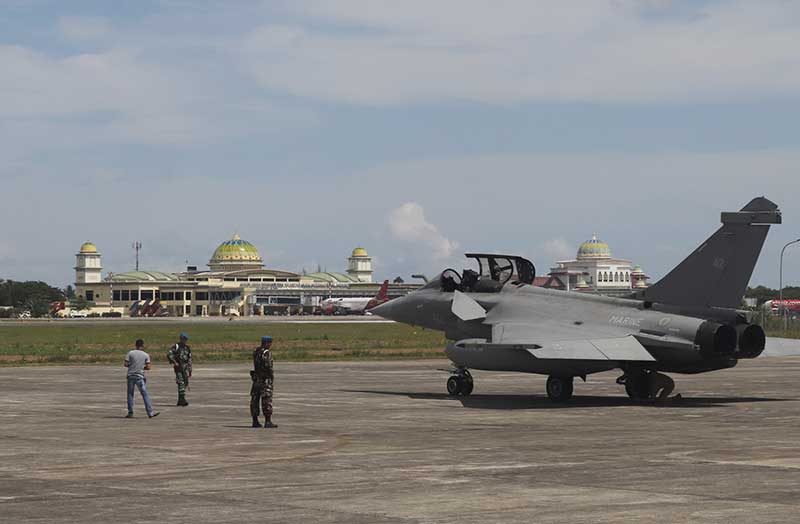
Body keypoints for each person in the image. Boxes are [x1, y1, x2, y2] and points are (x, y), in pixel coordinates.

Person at [124, 339, 159, 418]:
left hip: (131, 376)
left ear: (135, 345)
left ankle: (130, 412)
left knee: (130, 394)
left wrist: (132, 366)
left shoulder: (130, 353)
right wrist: (142, 367)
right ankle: (150, 413)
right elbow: (149, 367)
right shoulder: (146, 355)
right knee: (144, 394)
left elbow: (125, 364)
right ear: (142, 345)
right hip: (140, 377)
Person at [250, 336, 277, 428]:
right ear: (267, 343)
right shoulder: (266, 353)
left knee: (255, 400)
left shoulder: (256, 351)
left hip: (256, 379)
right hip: (264, 379)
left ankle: (255, 421)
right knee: (266, 399)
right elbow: (268, 366)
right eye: (270, 343)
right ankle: (268, 421)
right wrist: (271, 376)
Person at [167, 332, 192, 406]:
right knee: (181, 383)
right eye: (184, 339)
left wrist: (190, 369)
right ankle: (182, 400)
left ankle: (180, 399)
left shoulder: (187, 348)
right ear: (181, 339)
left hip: (185, 368)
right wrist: (174, 362)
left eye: (186, 339)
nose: (185, 340)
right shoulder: (176, 346)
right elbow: (169, 354)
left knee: (185, 383)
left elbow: (189, 359)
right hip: (179, 368)